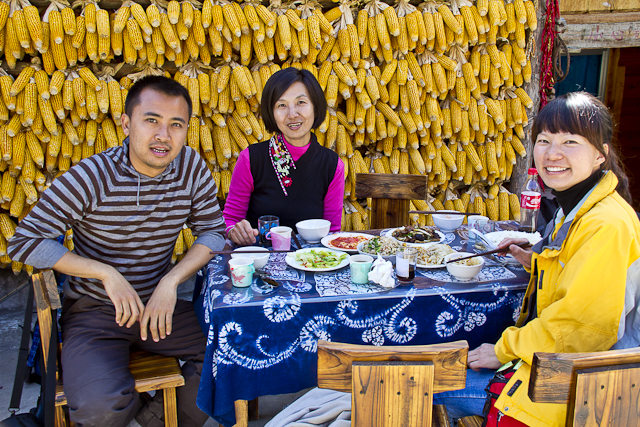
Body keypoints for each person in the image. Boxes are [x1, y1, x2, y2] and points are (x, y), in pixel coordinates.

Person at [8, 75, 226, 427]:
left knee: (234, 351)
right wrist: (105, 273)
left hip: (158, 307)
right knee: (100, 408)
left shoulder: (190, 167)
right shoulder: (92, 176)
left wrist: (171, 283)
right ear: (127, 123)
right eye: (151, 120)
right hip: (96, 313)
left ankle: (159, 421)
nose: (163, 136)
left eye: (176, 125)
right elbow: (24, 242)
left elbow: (213, 233)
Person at [434, 92, 640, 426]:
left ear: (600, 155)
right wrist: (536, 259)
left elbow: (580, 329)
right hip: (555, 361)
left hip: (578, 383)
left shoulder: (607, 224)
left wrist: (503, 349)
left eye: (570, 142)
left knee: (424, 384)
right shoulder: (575, 208)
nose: (553, 153)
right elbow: (580, 275)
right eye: (544, 140)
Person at [223, 67, 345, 246]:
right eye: (281, 105)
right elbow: (231, 219)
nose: (292, 114)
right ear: (271, 112)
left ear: (316, 106)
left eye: (301, 102)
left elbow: (332, 231)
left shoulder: (332, 165)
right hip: (260, 261)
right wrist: (235, 231)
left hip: (311, 262)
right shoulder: (251, 159)